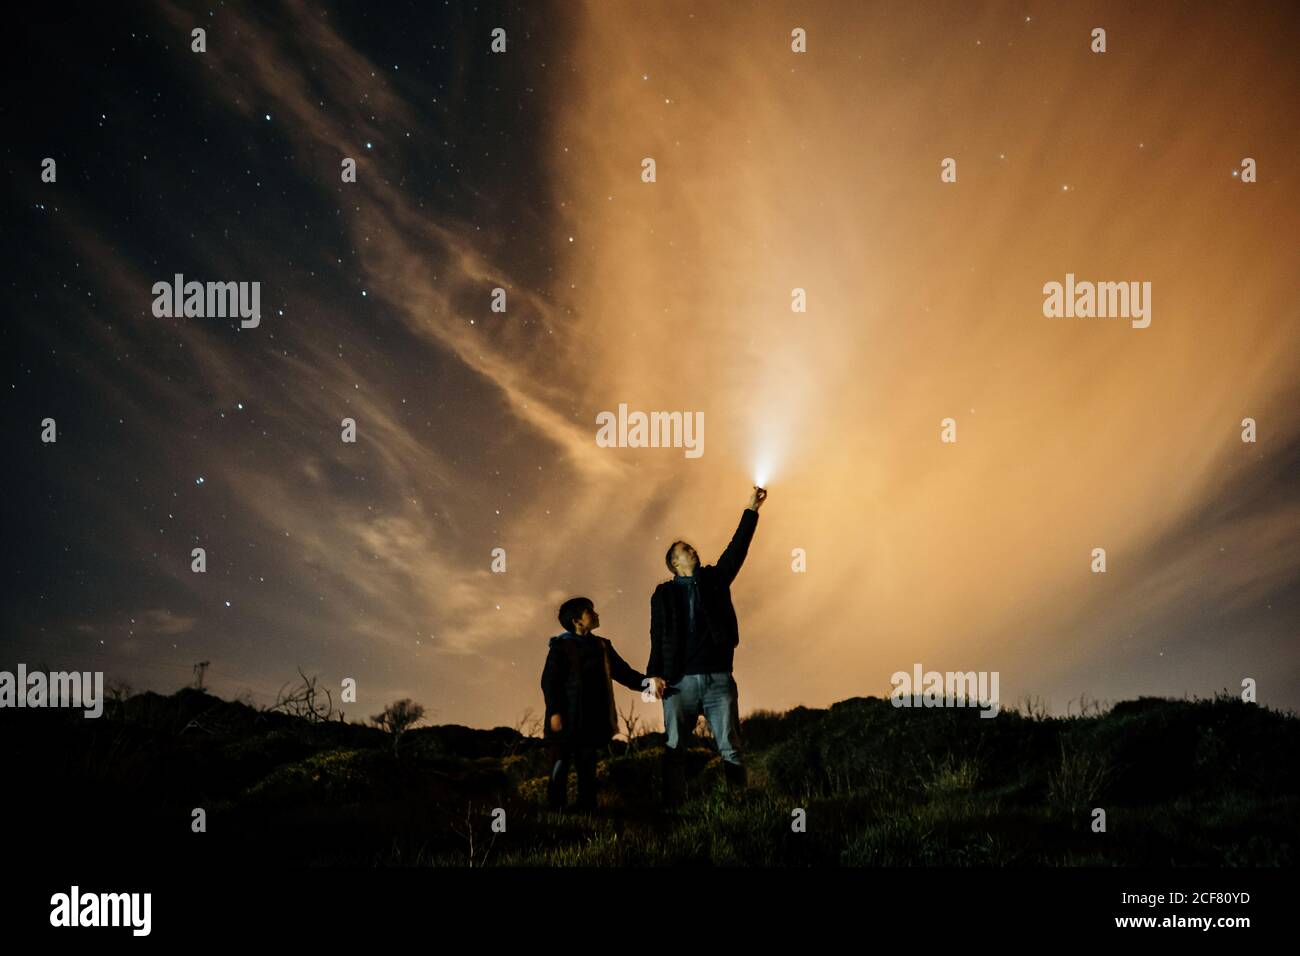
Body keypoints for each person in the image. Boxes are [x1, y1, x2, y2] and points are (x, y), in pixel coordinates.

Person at [647, 485, 767, 806]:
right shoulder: (663, 594)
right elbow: (656, 636)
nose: (694, 550)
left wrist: (751, 509)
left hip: (717, 678)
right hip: (678, 683)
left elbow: (737, 549)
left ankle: (740, 807)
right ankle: (673, 811)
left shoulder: (715, 579)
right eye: (686, 549)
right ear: (674, 561)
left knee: (729, 745)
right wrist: (653, 675)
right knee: (675, 748)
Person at [541, 597, 648, 812]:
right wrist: (554, 712)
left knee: (587, 766)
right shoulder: (561, 646)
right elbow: (549, 681)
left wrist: (649, 684)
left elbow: (624, 673)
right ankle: (556, 814)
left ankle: (587, 811)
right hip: (565, 718)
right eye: (590, 611)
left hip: (592, 719)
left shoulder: (602, 646)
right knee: (560, 764)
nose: (596, 614)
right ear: (577, 621)